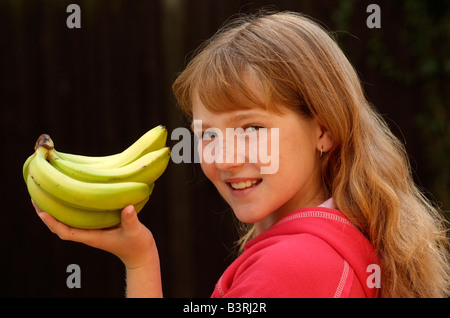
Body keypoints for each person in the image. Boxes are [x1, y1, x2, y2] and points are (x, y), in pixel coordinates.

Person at [33, 11, 450, 298]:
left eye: (251, 129)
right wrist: (140, 258)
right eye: (208, 134)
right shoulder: (344, 236)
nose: (225, 159)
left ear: (324, 129)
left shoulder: (291, 267)